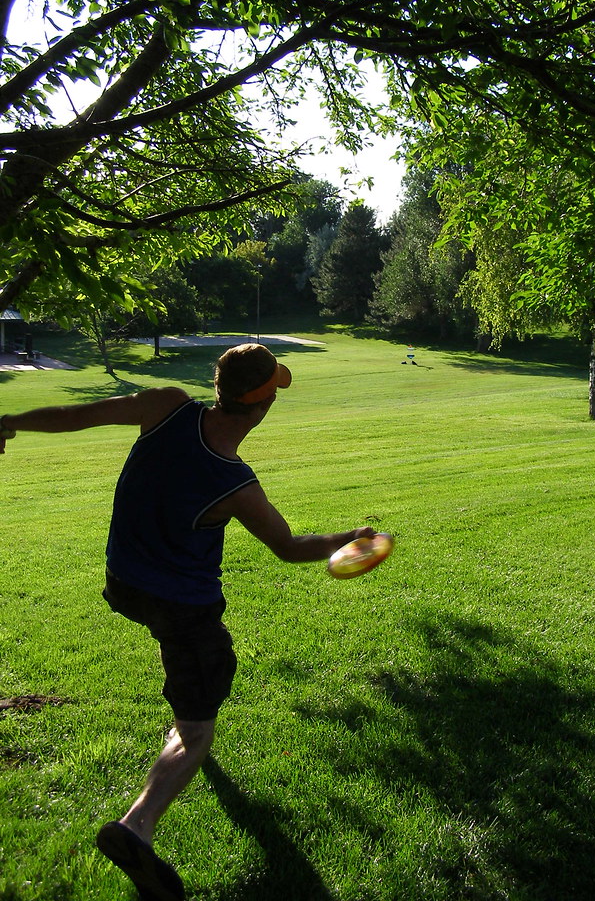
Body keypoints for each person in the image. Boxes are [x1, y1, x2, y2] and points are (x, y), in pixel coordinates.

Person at [0, 343, 375, 901]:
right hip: (183, 606)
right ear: (264, 405)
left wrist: (9, 421)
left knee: (182, 658)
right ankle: (136, 827)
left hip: (124, 585)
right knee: (197, 726)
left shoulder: (166, 406)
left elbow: (76, 415)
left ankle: (184, 717)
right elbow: (289, 547)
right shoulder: (234, 482)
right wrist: (353, 538)